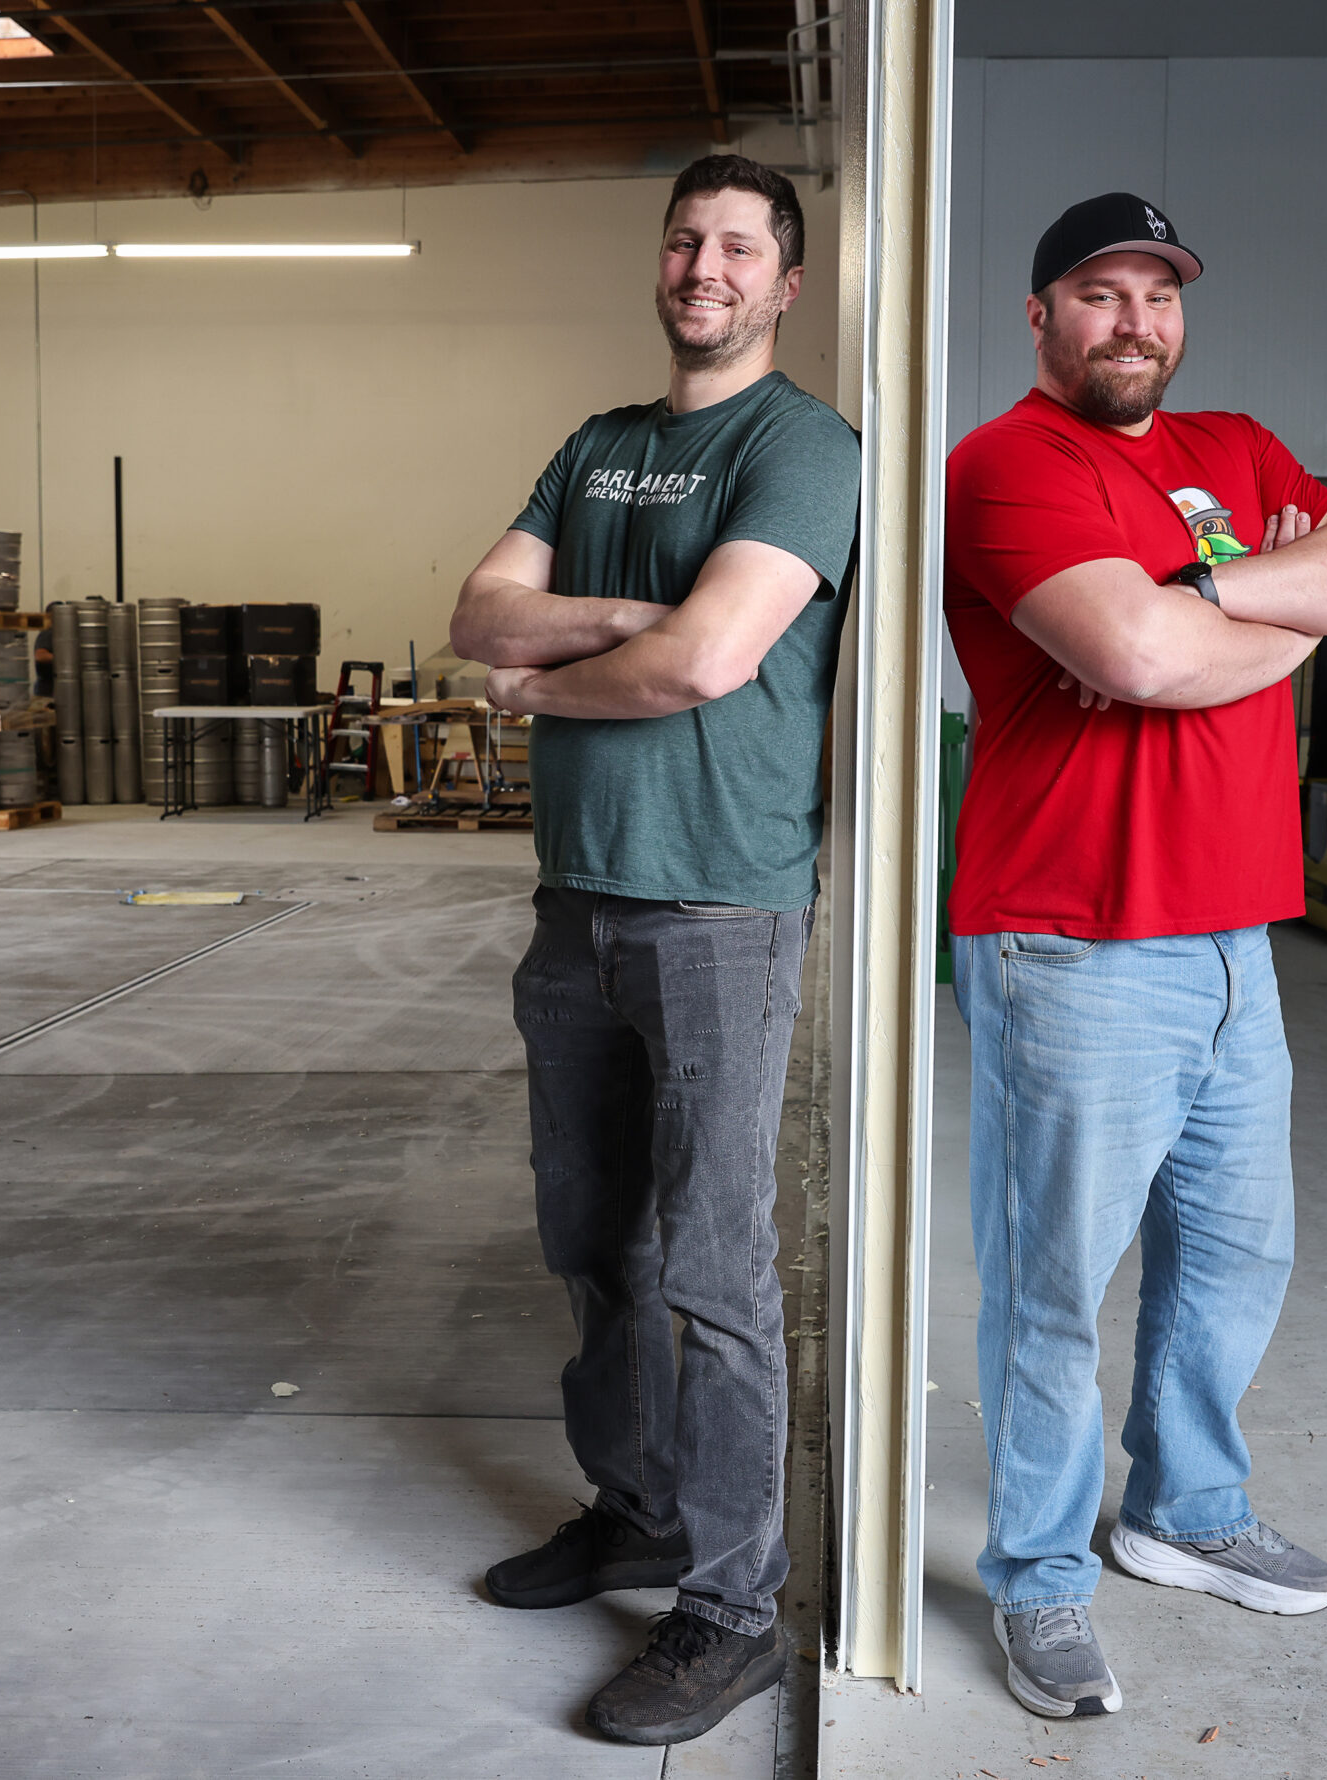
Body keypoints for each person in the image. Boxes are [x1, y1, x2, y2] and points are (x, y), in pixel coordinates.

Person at [942, 192, 1327, 1720]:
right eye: (1100, 292)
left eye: (1158, 293)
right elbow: (1131, 655)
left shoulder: (1239, 448)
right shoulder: (1006, 464)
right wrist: (1286, 614)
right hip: (1073, 942)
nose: (1135, 321)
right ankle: (1041, 1578)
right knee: (1056, 1288)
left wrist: (1207, 598)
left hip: (1233, 938)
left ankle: (1184, 1511)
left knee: (1235, 1253)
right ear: (1040, 315)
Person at [445, 153, 859, 1748]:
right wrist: (634, 619)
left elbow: (708, 663)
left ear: (785, 284)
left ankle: (734, 1610)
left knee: (715, 1269)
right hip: (577, 904)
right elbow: (480, 612)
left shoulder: (801, 447)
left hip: (719, 911)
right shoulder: (598, 444)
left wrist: (552, 678)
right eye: (687, 240)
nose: (706, 268)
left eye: (740, 247)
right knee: (591, 1238)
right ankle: (636, 1513)